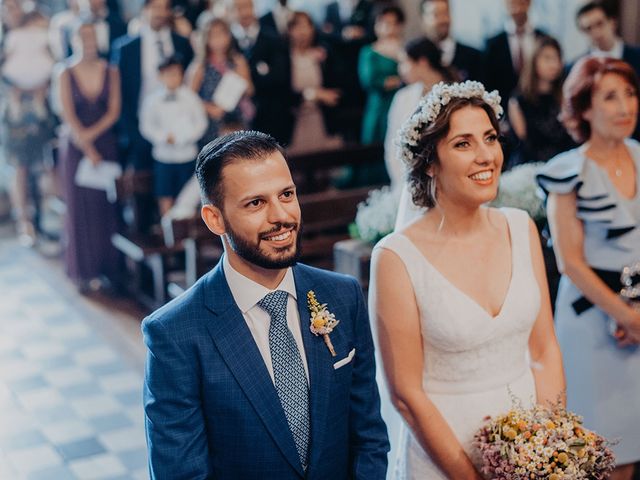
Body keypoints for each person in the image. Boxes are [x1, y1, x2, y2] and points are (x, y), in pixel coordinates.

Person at [142, 130, 389, 479]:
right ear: (215, 219)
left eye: (286, 195)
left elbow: (369, 437)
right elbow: (180, 473)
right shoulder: (175, 333)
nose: (281, 217)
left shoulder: (343, 296)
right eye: (256, 203)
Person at [371, 81, 565, 479]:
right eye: (463, 144)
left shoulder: (520, 227)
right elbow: (406, 394)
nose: (485, 156)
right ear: (429, 161)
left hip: (529, 448)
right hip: (443, 456)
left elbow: (544, 350)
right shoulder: (396, 257)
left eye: (490, 138)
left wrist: (546, 450)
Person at [536, 57, 640, 480]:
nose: (625, 106)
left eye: (630, 94)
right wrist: (627, 316)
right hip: (592, 321)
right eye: (610, 97)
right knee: (598, 451)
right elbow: (569, 262)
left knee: (633, 447)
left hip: (636, 315)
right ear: (582, 108)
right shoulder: (568, 170)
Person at [57, 19, 122, 290]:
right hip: (76, 147)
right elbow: (68, 113)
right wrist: (86, 146)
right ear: (74, 40)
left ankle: (109, 268)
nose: (88, 42)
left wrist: (93, 141)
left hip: (105, 144)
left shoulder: (111, 70)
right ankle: (84, 270)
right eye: (83, 37)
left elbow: (114, 110)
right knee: (80, 208)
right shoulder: (65, 72)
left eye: (92, 36)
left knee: (106, 207)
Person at [111, 0, 194, 171]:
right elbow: (120, 94)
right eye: (156, 7)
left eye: (165, 8)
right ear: (144, 9)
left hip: (180, 134)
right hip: (140, 130)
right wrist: (132, 133)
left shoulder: (182, 43)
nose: (161, 13)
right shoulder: (126, 48)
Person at [0, 0, 56, 246]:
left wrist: (41, 84)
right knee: (19, 166)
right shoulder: (5, 39)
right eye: (7, 6)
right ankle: (26, 223)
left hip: (39, 105)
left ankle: (44, 220)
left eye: (15, 6)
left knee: (43, 163)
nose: (12, 11)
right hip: (14, 111)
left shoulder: (36, 28)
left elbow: (52, 58)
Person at [384, 36, 456, 189]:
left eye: (404, 62)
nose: (400, 69)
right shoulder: (403, 97)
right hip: (410, 181)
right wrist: (405, 183)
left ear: (422, 62)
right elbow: (392, 144)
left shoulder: (454, 94)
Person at [140, 55, 207, 216]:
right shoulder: (151, 100)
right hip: (163, 156)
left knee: (189, 197)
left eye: (176, 73)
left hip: (187, 154)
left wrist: (183, 137)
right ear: (160, 76)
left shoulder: (191, 97)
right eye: (168, 74)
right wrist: (163, 137)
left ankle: (186, 234)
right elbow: (146, 126)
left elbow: (201, 123)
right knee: (165, 195)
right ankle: (167, 232)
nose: (172, 78)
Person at [227, 0, 293, 146]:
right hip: (236, 120)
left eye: (248, 6)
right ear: (230, 12)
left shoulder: (273, 38)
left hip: (270, 116)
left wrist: (248, 78)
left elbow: (280, 78)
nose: (244, 12)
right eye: (238, 8)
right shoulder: (226, 42)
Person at [507, 35, 575, 168]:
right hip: (530, 166)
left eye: (557, 58)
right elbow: (524, 144)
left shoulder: (565, 96)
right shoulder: (518, 100)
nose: (554, 64)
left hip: (565, 163)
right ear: (534, 60)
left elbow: (571, 137)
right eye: (547, 58)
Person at [188, 17, 253, 148]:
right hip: (212, 122)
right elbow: (188, 98)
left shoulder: (238, 61)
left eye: (223, 33)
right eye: (213, 35)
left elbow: (250, 90)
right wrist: (209, 108)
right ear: (206, 38)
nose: (219, 40)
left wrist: (241, 81)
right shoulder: (200, 65)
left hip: (236, 119)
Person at [286, 11, 342, 155]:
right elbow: (282, 92)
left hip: (321, 120)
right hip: (295, 122)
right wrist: (313, 94)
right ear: (290, 31)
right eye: (297, 27)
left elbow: (336, 86)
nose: (302, 32)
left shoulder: (323, 54)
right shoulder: (284, 58)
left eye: (306, 26)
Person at [484, 0, 545, 109]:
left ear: (529, 3)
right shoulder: (493, 44)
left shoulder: (543, 38)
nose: (517, 10)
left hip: (538, 107)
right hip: (503, 109)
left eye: (521, 3)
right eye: (513, 4)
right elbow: (489, 82)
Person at [358, 5, 404, 145]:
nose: (389, 28)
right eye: (384, 22)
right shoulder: (369, 52)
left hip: (402, 105)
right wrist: (398, 81)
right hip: (379, 107)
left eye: (393, 23)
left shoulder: (405, 50)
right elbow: (369, 81)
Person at [420, 0, 483, 82]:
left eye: (446, 13)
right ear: (423, 19)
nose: (442, 20)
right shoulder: (417, 59)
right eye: (436, 15)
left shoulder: (474, 57)